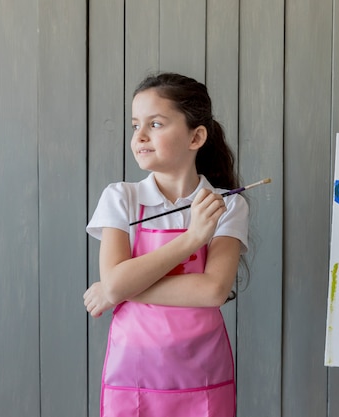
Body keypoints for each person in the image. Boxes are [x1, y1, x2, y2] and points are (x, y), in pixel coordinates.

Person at [83, 72, 248, 417]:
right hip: (133, 373)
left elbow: (212, 291)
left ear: (196, 136)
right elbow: (114, 281)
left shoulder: (227, 205)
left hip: (202, 374)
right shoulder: (120, 198)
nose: (139, 136)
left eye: (155, 124)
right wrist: (193, 238)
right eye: (135, 125)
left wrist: (119, 288)